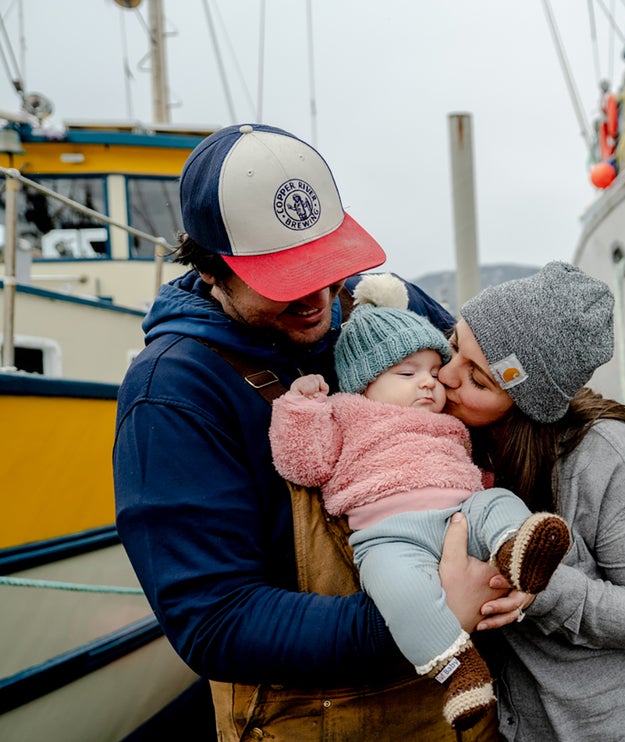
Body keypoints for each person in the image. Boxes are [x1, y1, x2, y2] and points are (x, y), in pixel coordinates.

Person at [113, 123, 511, 741]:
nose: (317, 295)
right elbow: (213, 620)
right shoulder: (171, 392)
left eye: (324, 266)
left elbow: (494, 393)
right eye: (284, 278)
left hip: (463, 712)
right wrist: (427, 618)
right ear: (212, 268)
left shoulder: (376, 307)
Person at [268, 274, 572, 731]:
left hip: (461, 513)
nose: (430, 384)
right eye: (407, 374)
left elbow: (472, 471)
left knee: (497, 500)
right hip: (387, 533)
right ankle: (456, 670)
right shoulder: (344, 414)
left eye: (434, 371)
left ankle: (517, 548)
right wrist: (300, 408)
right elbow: (303, 464)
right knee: (400, 594)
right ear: (364, 382)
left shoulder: (447, 420)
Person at [438, 262, 625, 741]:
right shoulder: (454, 443)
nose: (444, 377)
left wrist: (539, 585)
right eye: (452, 347)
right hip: (530, 726)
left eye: (478, 380)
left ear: (526, 402)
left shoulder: (607, 455)